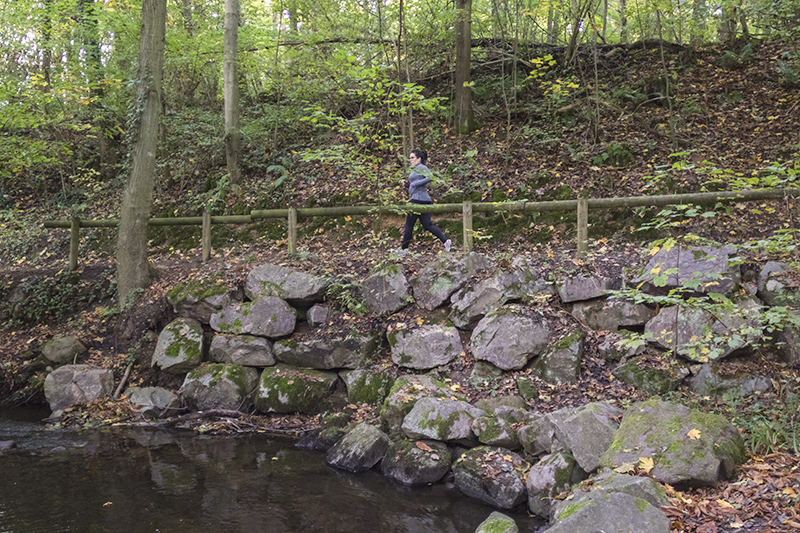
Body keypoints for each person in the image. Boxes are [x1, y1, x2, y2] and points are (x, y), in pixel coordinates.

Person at [400, 149, 452, 252]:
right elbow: (416, 186)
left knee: (409, 225)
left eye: (412, 158)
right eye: (410, 158)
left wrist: (414, 184)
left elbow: (430, 177)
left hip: (417, 201)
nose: (410, 160)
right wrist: (408, 185)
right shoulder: (415, 169)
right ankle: (445, 241)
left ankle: (403, 251)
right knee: (427, 225)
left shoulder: (421, 167)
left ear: (419, 159)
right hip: (423, 199)